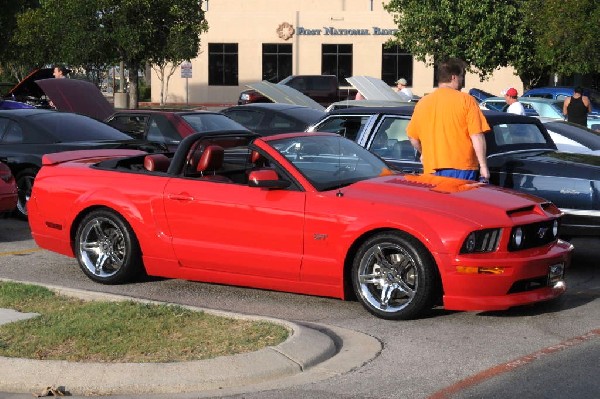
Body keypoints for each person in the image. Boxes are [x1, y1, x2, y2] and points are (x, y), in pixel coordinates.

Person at [406, 58, 490, 182]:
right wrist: (483, 166)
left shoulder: (423, 102)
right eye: (461, 77)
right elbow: (476, 135)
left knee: (437, 202)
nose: (462, 81)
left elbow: (412, 137)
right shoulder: (467, 100)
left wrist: (424, 152)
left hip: (431, 168)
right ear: (453, 77)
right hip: (461, 167)